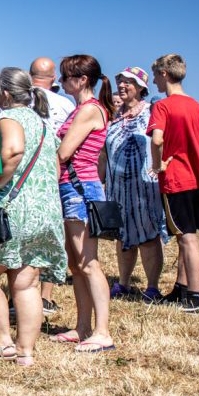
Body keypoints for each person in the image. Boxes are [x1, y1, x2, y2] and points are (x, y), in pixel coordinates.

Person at [0, 68, 66, 366]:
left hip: (13, 211)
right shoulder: (44, 123)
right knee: (25, 282)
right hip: (44, 211)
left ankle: (1, 340)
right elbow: (57, 168)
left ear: (6, 93)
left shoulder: (9, 118)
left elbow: (12, 151)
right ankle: (25, 352)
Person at [51, 54, 116, 353]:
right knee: (77, 264)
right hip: (74, 188)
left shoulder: (89, 110)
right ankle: (82, 327)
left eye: (65, 77)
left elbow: (64, 152)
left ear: (82, 80)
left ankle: (102, 331)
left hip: (80, 190)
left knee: (88, 263)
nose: (61, 82)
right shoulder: (84, 108)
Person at [147, 54, 199, 314]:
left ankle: (194, 298)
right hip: (197, 179)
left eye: (155, 75)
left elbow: (157, 140)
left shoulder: (163, 106)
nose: (153, 81)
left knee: (187, 240)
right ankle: (181, 289)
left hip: (177, 178)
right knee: (187, 236)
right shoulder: (197, 106)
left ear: (164, 74)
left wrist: (157, 164)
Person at [101, 67, 168, 302]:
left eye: (129, 82)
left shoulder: (152, 113)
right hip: (117, 187)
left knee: (148, 234)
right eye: (120, 81)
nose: (122, 85)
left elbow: (162, 143)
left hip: (144, 185)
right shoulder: (114, 115)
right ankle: (123, 283)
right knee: (122, 236)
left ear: (141, 88)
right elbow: (103, 152)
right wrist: (100, 179)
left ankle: (151, 287)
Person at [29, 57, 75, 315]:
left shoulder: (20, 98)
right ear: (54, 77)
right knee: (49, 235)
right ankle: (44, 297)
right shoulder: (64, 104)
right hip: (53, 174)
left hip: (23, 175)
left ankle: (20, 292)